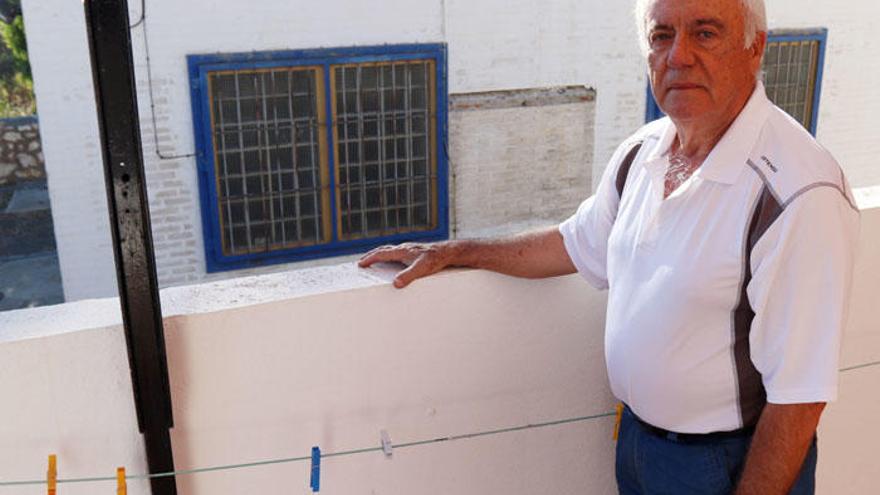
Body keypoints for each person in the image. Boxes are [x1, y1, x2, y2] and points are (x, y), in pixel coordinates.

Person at [358, 0, 860, 493]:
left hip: (726, 464)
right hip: (638, 445)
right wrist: (456, 251)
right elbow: (575, 245)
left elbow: (799, 398)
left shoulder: (797, 191)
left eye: (705, 33)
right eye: (662, 35)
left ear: (755, 47)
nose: (678, 56)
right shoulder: (643, 153)